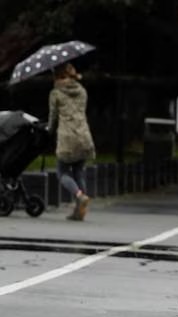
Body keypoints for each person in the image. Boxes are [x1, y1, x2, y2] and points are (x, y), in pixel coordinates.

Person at [47, 63, 95, 221]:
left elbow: (53, 117)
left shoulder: (56, 93)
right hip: (83, 135)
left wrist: (48, 130)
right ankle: (79, 211)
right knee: (79, 172)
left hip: (67, 137)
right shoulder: (82, 91)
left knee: (62, 172)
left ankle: (79, 196)